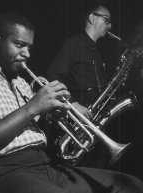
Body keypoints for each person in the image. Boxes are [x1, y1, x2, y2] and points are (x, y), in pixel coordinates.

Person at [0, 11, 143, 193]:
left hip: (43, 164)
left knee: (130, 185)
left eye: (29, 47)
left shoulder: (22, 83)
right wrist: (33, 107)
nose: (27, 54)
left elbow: (32, 131)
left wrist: (54, 116)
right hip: (3, 171)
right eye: (19, 45)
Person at [46, 4, 115, 168]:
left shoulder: (97, 52)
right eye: (107, 20)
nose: (110, 26)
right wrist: (74, 103)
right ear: (92, 18)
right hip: (78, 121)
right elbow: (52, 76)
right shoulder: (74, 43)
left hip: (96, 120)